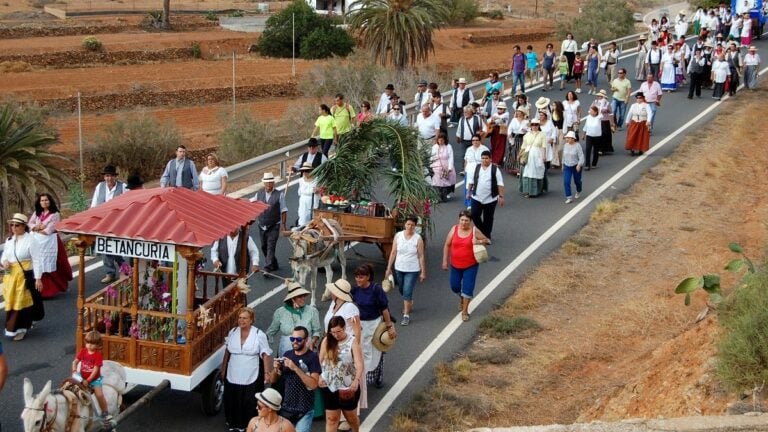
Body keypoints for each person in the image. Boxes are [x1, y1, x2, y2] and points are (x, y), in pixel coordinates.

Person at [222, 307, 272, 432]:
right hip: (233, 372)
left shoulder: (259, 334)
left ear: (251, 320)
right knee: (232, 399)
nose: (241, 320)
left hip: (251, 374)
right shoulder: (232, 332)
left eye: (245, 318)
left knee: (249, 401)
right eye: (240, 318)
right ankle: (234, 424)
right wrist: (223, 369)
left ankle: (249, 425)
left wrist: (266, 373)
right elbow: (227, 352)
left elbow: (265, 354)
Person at [351, 264, 396, 388]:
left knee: (376, 349)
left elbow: (384, 309)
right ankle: (362, 378)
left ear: (368, 277)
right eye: (356, 277)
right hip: (360, 325)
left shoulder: (376, 290)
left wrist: (389, 326)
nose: (358, 279)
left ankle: (377, 375)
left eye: (361, 277)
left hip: (374, 324)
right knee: (360, 351)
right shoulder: (355, 290)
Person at [267, 326, 320, 432]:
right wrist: (275, 369)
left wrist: (295, 368)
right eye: (292, 339)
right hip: (286, 408)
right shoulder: (287, 354)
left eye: (299, 339)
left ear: (306, 340)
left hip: (305, 409)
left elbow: (314, 384)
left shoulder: (312, 357)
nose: (295, 342)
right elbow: (272, 380)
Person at [442, 210, 490, 322]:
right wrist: (444, 261)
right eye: (462, 220)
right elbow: (447, 245)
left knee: (468, 288)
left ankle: (465, 311)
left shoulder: (474, 231)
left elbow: (488, 241)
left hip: (470, 265)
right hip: (455, 265)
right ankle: (462, 299)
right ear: (459, 220)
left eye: (466, 221)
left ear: (470, 221)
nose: (464, 223)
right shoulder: (454, 229)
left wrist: (479, 242)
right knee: (454, 286)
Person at [318, 316, 364, 432]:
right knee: (331, 419)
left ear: (344, 328)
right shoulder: (327, 341)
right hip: (330, 385)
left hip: (347, 386)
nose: (336, 335)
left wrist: (356, 380)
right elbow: (320, 360)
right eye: (333, 332)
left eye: (338, 331)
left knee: (351, 418)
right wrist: (320, 375)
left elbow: (359, 364)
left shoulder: (352, 342)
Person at [2, 213, 39, 341]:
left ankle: (21, 328)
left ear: (24, 226)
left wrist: (38, 278)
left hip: (23, 275)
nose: (13, 227)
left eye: (16, 225)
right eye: (12, 225)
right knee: (11, 301)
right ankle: (14, 325)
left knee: (21, 301)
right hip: (10, 276)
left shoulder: (31, 240)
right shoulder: (9, 240)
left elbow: (37, 259)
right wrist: (4, 262)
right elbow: (5, 256)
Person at [27, 193, 72, 299]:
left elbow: (49, 230)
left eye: (46, 200)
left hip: (51, 242)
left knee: (53, 264)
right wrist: (37, 227)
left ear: (50, 201)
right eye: (42, 200)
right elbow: (30, 223)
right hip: (37, 242)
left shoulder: (55, 214)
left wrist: (38, 229)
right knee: (37, 263)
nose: (44, 202)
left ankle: (50, 290)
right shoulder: (37, 213)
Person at [385, 216, 426, 326]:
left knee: (407, 290)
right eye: (408, 224)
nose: (410, 227)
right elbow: (393, 252)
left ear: (415, 226)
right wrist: (389, 268)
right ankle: (409, 301)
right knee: (402, 289)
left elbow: (421, 255)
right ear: (404, 225)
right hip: (399, 268)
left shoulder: (418, 239)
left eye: (412, 225)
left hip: (412, 269)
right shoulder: (398, 236)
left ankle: (406, 315)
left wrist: (423, 271)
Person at [90, 165, 126, 284]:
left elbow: (129, 204)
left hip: (118, 223)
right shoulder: (99, 187)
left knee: (115, 247)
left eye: (111, 176)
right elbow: (94, 205)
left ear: (115, 177)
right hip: (102, 222)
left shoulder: (123, 187)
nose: (109, 178)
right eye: (106, 176)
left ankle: (124, 267)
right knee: (104, 247)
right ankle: (110, 273)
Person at [267, 282, 322, 355]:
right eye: (299, 296)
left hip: (306, 351)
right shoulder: (280, 312)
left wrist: (313, 342)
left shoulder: (312, 311)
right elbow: (270, 332)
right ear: (292, 299)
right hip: (285, 351)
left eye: (303, 296)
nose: (303, 298)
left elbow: (317, 331)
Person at [250, 172, 288, 272]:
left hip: (274, 225)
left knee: (271, 246)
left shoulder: (280, 194)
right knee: (264, 247)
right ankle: (273, 263)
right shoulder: (259, 194)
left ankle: (267, 268)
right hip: (261, 225)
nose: (268, 185)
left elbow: (284, 210)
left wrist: (283, 224)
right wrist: (240, 201)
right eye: (266, 183)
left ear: (273, 183)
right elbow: (251, 202)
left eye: (270, 183)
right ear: (264, 184)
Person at [466, 151, 505, 239]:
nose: (484, 160)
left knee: (488, 218)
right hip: (476, 197)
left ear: (490, 159)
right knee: (474, 214)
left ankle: (486, 235)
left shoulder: (495, 169)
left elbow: (500, 183)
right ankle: (482, 231)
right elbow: (471, 181)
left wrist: (501, 196)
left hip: (490, 199)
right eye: (483, 158)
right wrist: (468, 192)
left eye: (486, 158)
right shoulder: (477, 168)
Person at [72, 330, 109, 418]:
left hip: (94, 380)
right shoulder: (83, 351)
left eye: (92, 344)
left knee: (99, 395)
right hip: (82, 378)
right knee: (72, 391)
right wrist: (74, 370)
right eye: (88, 343)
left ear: (98, 345)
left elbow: (96, 370)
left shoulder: (97, 355)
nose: (89, 345)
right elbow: (75, 362)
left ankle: (105, 410)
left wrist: (88, 380)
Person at [323, 279, 361, 343]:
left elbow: (357, 331)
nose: (331, 292)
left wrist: (355, 348)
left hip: (344, 346)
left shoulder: (350, 307)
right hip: (331, 343)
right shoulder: (333, 304)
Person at [518, 118, 547, 198]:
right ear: (530, 126)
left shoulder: (542, 134)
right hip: (528, 155)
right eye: (533, 125)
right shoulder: (526, 135)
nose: (534, 126)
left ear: (538, 126)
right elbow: (523, 146)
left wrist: (544, 156)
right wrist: (519, 154)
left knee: (537, 171)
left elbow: (544, 146)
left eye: (536, 125)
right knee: (527, 172)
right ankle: (528, 191)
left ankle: (537, 190)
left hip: (538, 154)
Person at [430, 134, 456, 202]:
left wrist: (450, 168)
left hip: (446, 165)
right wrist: (431, 166)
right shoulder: (434, 147)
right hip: (437, 166)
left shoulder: (448, 146)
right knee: (437, 182)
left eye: (442, 140)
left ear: (445, 140)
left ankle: (444, 195)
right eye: (439, 140)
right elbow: (432, 157)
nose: (440, 141)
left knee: (446, 182)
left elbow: (451, 157)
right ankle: (437, 196)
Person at [561, 131, 585, 204]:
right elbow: (564, 156)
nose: (567, 139)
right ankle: (569, 197)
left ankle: (578, 190)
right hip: (567, 166)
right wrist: (562, 164)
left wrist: (579, 165)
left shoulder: (577, 146)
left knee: (577, 181)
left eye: (568, 138)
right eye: (566, 138)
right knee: (566, 181)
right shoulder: (565, 145)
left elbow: (581, 157)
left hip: (576, 166)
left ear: (573, 138)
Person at [505, 107, 529, 176]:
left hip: (522, 139)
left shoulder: (526, 121)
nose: (518, 113)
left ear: (522, 113)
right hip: (514, 138)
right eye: (517, 111)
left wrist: (525, 130)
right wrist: (509, 134)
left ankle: (520, 169)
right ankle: (513, 168)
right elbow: (510, 128)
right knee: (513, 153)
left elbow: (529, 130)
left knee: (521, 154)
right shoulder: (514, 120)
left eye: (519, 112)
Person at [295, 162, 319, 227]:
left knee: (312, 217)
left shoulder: (317, 180)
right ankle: (301, 228)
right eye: (304, 171)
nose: (305, 172)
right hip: (303, 201)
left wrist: (318, 191)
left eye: (307, 171)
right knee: (303, 216)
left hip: (313, 201)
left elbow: (322, 191)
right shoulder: (301, 180)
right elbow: (299, 192)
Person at [591, 90, 615, 154]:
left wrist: (612, 123)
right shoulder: (595, 102)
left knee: (604, 134)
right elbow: (591, 110)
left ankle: (602, 149)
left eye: (601, 96)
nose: (599, 97)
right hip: (597, 120)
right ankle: (597, 148)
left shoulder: (607, 103)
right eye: (598, 96)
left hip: (605, 121)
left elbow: (611, 113)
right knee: (596, 134)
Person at [486, 102, 509, 166]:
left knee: (500, 146)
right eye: (499, 108)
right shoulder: (495, 114)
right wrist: (495, 119)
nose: (500, 109)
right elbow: (488, 120)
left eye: (501, 108)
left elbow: (500, 120)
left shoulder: (506, 114)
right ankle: (493, 159)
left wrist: (494, 119)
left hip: (501, 130)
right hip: (494, 131)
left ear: (504, 109)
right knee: (493, 145)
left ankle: (498, 161)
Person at [582, 105, 602, 170]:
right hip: (589, 135)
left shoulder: (599, 117)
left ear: (596, 112)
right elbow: (586, 126)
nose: (590, 112)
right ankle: (587, 164)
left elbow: (601, 113)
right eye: (590, 110)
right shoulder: (588, 117)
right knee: (588, 149)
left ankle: (594, 163)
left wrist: (597, 109)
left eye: (592, 111)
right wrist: (584, 134)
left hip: (597, 136)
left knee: (596, 150)